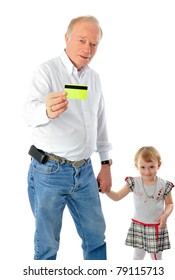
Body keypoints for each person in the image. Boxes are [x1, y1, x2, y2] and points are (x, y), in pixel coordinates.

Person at [23, 15, 112, 260]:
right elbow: (28, 113)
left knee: (96, 238)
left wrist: (105, 164)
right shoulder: (47, 71)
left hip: (84, 173)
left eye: (94, 43)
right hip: (50, 171)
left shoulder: (93, 78)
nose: (88, 48)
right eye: (82, 40)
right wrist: (46, 111)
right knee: (47, 245)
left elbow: (100, 120)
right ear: (67, 38)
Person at [106, 146, 174, 260]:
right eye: (143, 167)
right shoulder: (133, 182)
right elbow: (117, 196)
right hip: (139, 225)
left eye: (152, 167)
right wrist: (107, 191)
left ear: (159, 165)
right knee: (138, 255)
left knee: (156, 257)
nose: (147, 171)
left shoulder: (164, 185)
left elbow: (170, 204)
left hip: (156, 226)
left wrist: (165, 215)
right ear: (137, 166)